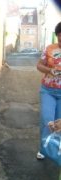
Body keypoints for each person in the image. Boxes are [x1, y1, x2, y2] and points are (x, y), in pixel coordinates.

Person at [36, 22, 61, 159]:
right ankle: (44, 148)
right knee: (47, 119)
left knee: (59, 122)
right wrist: (49, 70)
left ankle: (56, 147)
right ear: (57, 36)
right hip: (48, 90)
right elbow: (39, 65)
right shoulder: (50, 49)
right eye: (59, 36)